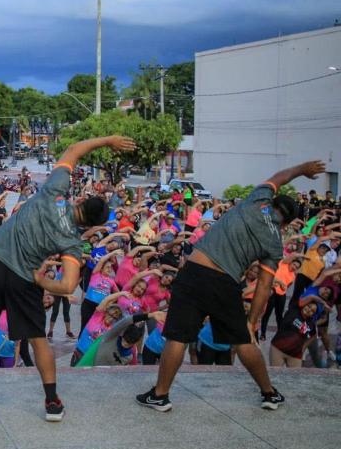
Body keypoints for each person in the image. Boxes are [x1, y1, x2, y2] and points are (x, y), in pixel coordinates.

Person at [0, 135, 136, 424]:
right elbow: (67, 286)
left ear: (81, 199)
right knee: (38, 341)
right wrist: (41, 281)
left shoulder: (55, 191)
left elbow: (73, 149)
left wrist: (109, 140)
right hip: (25, 278)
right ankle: (52, 402)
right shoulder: (72, 242)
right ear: (91, 225)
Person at [135, 160, 326, 413]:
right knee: (244, 341)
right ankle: (269, 394)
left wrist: (302, 169)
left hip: (194, 272)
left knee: (177, 337)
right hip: (225, 283)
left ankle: (160, 395)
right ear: (287, 224)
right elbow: (264, 287)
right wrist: (252, 322)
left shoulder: (257, 199)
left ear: (272, 201)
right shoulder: (274, 242)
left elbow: (281, 176)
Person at [269, 296, 325, 368]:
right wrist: (319, 300)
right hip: (278, 349)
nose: (309, 310)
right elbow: (309, 297)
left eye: (312, 311)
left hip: (295, 355)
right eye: (309, 306)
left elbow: (314, 335)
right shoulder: (294, 310)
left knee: (295, 375)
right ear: (304, 304)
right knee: (275, 374)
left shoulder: (311, 324)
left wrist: (303, 347)